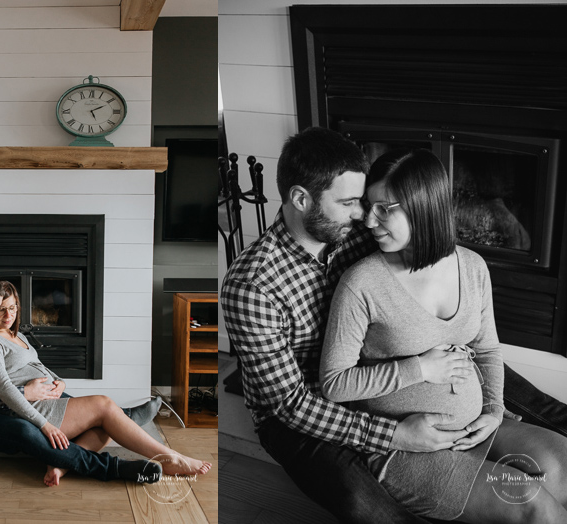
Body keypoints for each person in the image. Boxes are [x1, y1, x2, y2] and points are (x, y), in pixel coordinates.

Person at [221, 127, 469, 523]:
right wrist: (395, 435)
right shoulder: (251, 286)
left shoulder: (356, 235)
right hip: (299, 410)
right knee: (365, 504)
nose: (364, 215)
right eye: (350, 202)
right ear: (301, 199)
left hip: (367, 367)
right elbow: (291, 404)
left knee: (480, 362)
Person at [319, 148, 567, 522]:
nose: (368, 221)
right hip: (411, 448)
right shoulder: (362, 284)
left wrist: (494, 410)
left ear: (424, 208)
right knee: (532, 503)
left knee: (563, 465)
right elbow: (334, 384)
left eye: (385, 209)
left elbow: (486, 348)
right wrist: (419, 368)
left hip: (474, 428)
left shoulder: (472, 267)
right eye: (369, 206)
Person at [0, 269, 204, 485]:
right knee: (93, 411)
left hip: (9, 400)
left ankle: (68, 460)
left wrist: (55, 383)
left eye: (7, 307)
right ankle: (155, 458)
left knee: (102, 419)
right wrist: (30, 399)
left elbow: (28, 365)